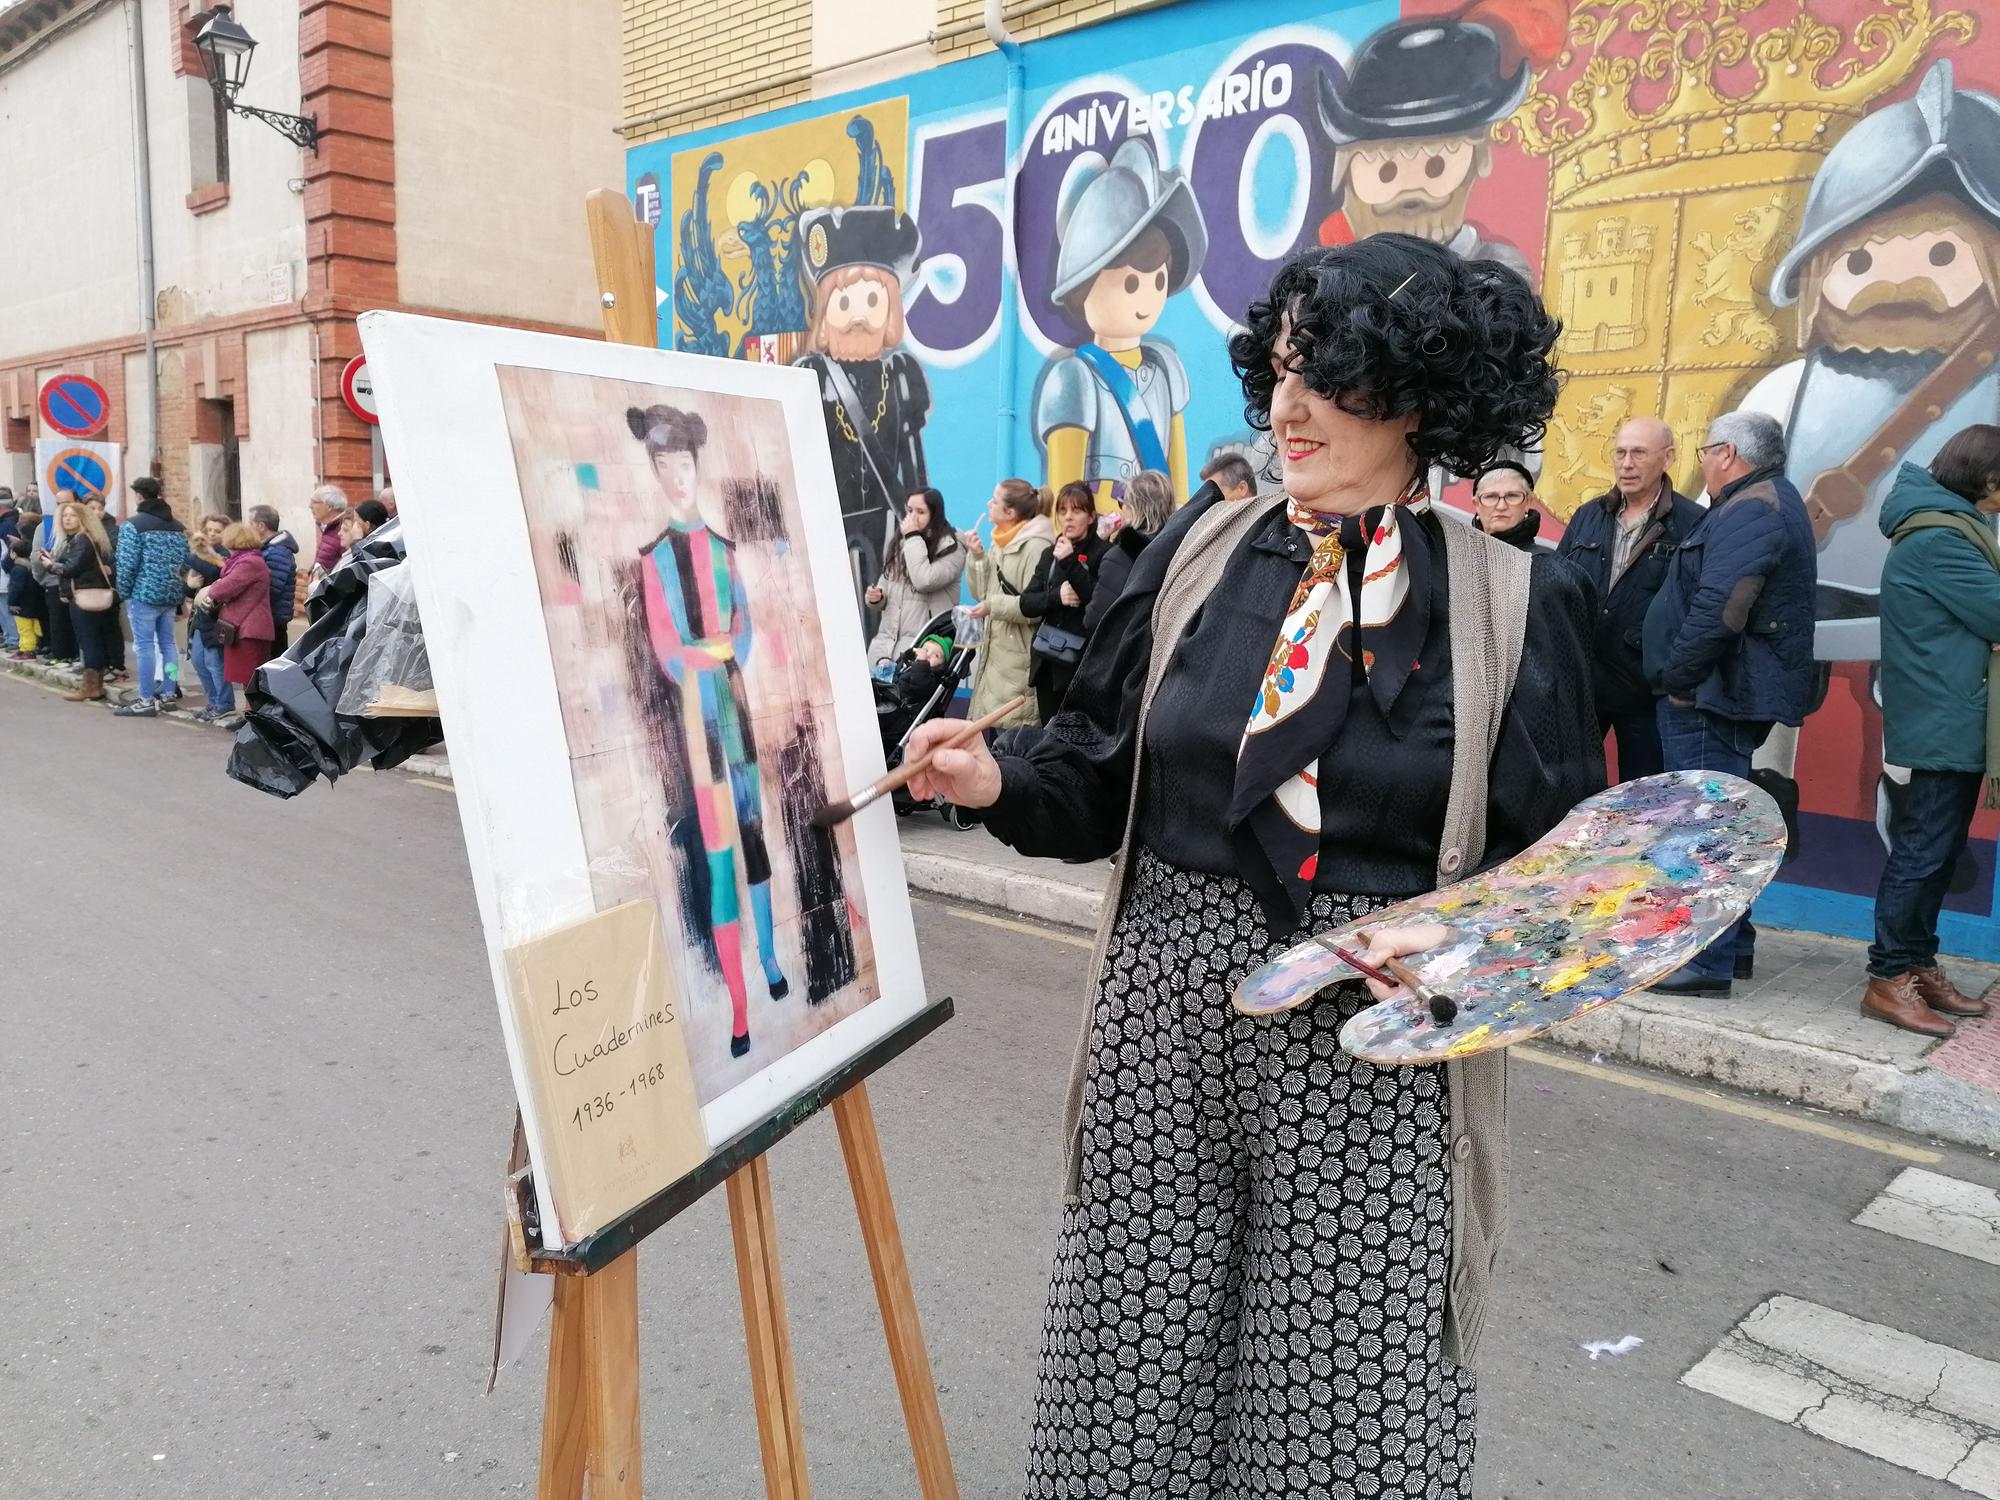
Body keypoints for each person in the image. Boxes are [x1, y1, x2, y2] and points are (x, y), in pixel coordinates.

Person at [907, 235, 1598, 1499]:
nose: (1285, 408)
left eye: (1325, 376)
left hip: (1371, 1051)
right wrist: (996, 775)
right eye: (1276, 372)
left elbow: (1560, 879)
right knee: (1128, 1367)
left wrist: (1452, 943)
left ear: (1418, 392)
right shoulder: (1199, 551)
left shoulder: (1509, 600)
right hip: (1162, 1011)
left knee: (1344, 1403)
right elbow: (1099, 765)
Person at [627, 404, 790, 1057]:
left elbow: (742, 631)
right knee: (717, 850)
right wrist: (710, 652)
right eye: (663, 465)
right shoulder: (652, 559)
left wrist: (721, 649)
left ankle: (773, 963)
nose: (676, 476)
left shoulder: (723, 548)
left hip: (736, 715)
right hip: (696, 722)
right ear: (655, 471)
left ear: (698, 465)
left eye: (684, 463)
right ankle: (740, 1007)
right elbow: (668, 649)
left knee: (753, 838)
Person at [1644, 411, 1817, 996]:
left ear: (1727, 454)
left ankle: (1707, 961)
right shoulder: (1758, 502)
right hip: (1716, 689)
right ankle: (1731, 950)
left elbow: (1723, 604)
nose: (1701, 462)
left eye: (1703, 450)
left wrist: (1679, 677)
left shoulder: (1752, 508)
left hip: (1710, 694)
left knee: (1706, 829)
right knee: (1724, 823)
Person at [1862, 427, 2000, 1036]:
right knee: (1922, 850)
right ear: (1987, 479)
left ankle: (1915, 962)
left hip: (1956, 709)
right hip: (1948, 712)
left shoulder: (1956, 530)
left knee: (1939, 850)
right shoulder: (1941, 539)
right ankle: (1888, 977)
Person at [1558, 418, 1705, 782]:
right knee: (1569, 787)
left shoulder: (1693, 523)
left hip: (1647, 691)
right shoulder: (1589, 515)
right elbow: (1557, 589)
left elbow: (1699, 606)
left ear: (1668, 457)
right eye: (1620, 453)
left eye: (1639, 453)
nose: (1626, 463)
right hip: (1585, 682)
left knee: (1643, 800)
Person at [963, 478, 1054, 728]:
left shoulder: (1035, 547)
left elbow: (1033, 607)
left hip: (1019, 661)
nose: (988, 504)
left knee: (1011, 745)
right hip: (997, 659)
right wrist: (978, 556)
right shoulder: (1001, 541)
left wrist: (992, 606)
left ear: (1010, 512)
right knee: (994, 742)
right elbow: (981, 593)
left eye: (995, 500)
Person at [1019, 482, 1099, 722]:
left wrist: (1070, 561)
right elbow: (1026, 603)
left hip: (1080, 668)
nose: (1068, 518)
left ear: (1091, 516)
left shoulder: (1103, 553)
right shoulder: (1049, 554)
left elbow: (1095, 599)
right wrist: (1057, 597)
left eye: (1077, 511)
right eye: (1063, 511)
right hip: (1047, 664)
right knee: (1047, 736)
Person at [112, 475, 190, 718]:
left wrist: (123, 592)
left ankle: (145, 698)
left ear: (138, 496)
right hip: (171, 593)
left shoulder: (133, 525)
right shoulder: (178, 527)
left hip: (143, 594)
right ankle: (168, 694)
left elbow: (126, 564)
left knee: (144, 647)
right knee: (168, 645)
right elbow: (185, 562)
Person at [864, 487, 964, 666]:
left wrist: (912, 536)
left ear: (935, 514)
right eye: (910, 510)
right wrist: (876, 597)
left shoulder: (951, 546)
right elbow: (885, 585)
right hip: (885, 649)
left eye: (921, 512)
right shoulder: (903, 543)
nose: (913, 517)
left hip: (922, 652)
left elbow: (924, 581)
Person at [1081, 468, 1174, 634]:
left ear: (1134, 508)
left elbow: (1095, 620)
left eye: (1122, 502)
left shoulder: (1120, 556)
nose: (1121, 508)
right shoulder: (1179, 546)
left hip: (1125, 655)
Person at [45, 499, 118, 703]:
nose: (67, 519)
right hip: (85, 594)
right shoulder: (83, 539)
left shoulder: (81, 539)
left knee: (89, 640)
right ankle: (95, 685)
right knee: (91, 639)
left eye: (72, 515)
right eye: (65, 515)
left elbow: (71, 568)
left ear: (82, 518)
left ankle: (91, 687)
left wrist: (50, 565)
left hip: (85, 596)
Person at [196, 522, 275, 700]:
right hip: (243, 627)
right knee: (247, 678)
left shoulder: (249, 563)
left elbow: (221, 590)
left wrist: (214, 586)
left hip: (250, 629)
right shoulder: (245, 561)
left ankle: (252, 718)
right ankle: (249, 717)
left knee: (250, 678)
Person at [183, 514, 235, 719]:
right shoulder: (198, 554)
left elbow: (213, 571)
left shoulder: (226, 554)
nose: (212, 534)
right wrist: (188, 585)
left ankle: (224, 703)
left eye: (217, 531)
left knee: (214, 661)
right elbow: (190, 586)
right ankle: (212, 701)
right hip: (198, 616)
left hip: (216, 616)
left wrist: (188, 555)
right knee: (198, 660)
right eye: (208, 530)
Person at [34, 489, 80, 665]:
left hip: (79, 584)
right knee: (59, 623)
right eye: (59, 504)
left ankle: (77, 656)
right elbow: (37, 556)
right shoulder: (45, 527)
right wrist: (43, 577)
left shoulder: (83, 529)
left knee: (78, 624)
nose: (63, 509)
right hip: (54, 581)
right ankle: (62, 654)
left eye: (67, 503)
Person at [249, 504, 300, 650]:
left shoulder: (278, 552)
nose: (248, 528)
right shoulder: (268, 548)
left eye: (250, 523)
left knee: (272, 663)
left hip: (273, 619)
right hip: (268, 617)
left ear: (261, 526)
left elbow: (271, 588)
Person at [1468, 459, 1542, 551]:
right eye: (1490, 497)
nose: (1501, 506)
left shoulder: (1548, 563)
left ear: (1528, 503)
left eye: (1512, 496)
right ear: (1477, 505)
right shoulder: (1455, 556)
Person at [5, 502, 45, 659]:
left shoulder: (17, 570)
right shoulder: (28, 568)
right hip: (31, 604)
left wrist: (12, 603)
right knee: (34, 626)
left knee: (24, 629)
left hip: (21, 606)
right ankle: (33, 646)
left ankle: (27, 649)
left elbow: (15, 588)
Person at [308, 484, 350, 575]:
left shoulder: (344, 529)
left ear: (329, 506)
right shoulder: (329, 528)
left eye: (314, 502)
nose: (310, 506)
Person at [0, 487, 18, 654]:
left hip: (6, 575)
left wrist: (6, 567)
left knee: (7, 607)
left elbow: (12, 550)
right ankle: (8, 636)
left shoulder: (8, 525)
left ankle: (14, 637)